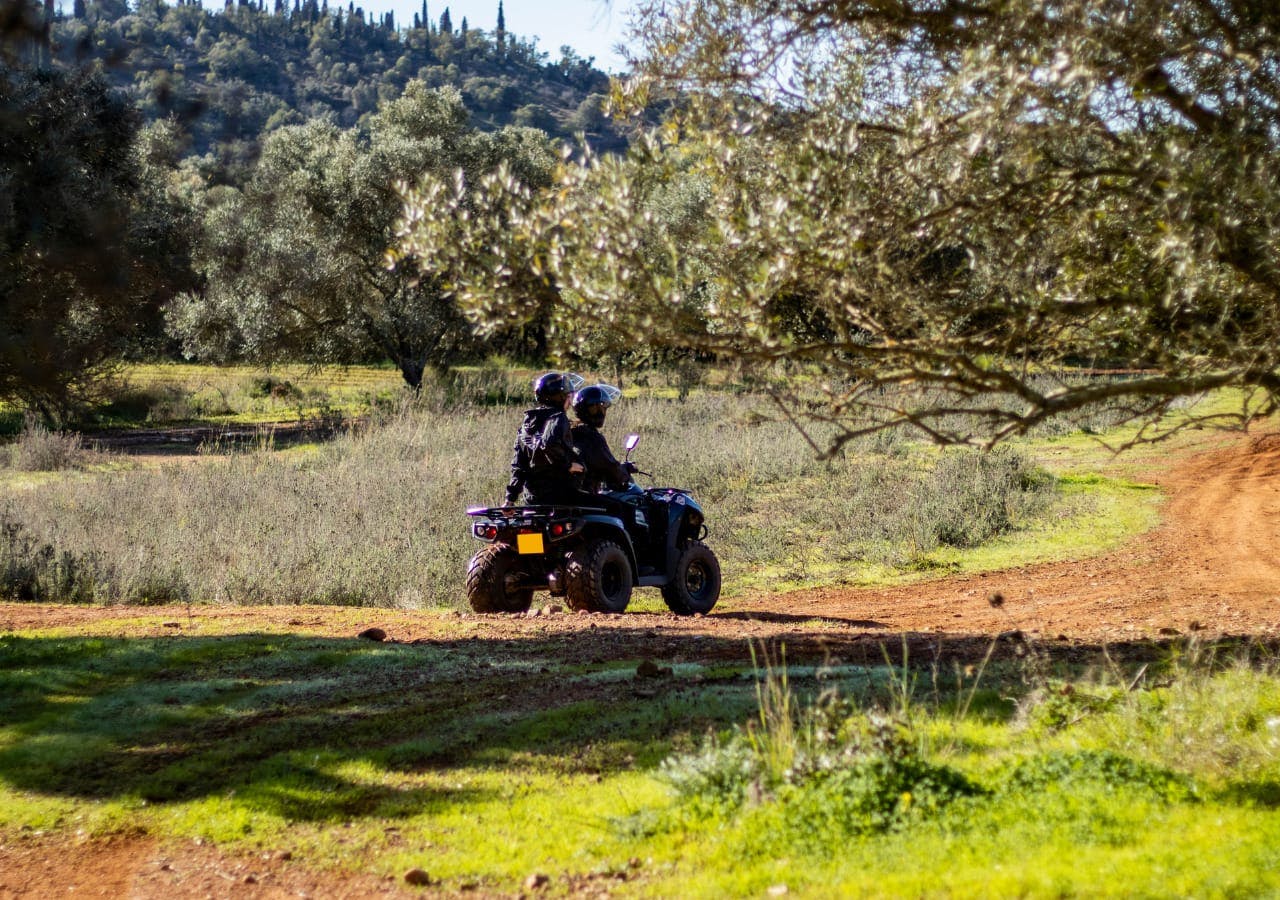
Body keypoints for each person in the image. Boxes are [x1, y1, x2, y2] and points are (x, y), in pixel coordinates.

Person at [505, 372, 585, 506]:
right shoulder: (558, 418)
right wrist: (568, 465)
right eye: (568, 396)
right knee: (612, 507)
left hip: (532, 499)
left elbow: (519, 465)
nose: (571, 402)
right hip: (559, 496)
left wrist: (510, 499)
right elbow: (549, 444)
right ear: (560, 397)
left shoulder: (527, 423)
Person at [570, 384, 635, 494]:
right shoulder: (591, 437)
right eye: (596, 408)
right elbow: (611, 469)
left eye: (603, 407)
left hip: (572, 494)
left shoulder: (570, 431)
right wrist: (626, 469)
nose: (601, 412)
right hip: (587, 497)